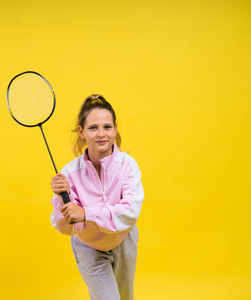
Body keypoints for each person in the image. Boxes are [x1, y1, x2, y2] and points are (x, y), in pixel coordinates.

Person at [50, 94, 144, 300]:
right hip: (89, 247)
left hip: (124, 240)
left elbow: (129, 212)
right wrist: (61, 199)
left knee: (125, 297)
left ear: (115, 129)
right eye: (93, 128)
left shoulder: (128, 166)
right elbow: (65, 227)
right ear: (81, 132)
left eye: (107, 127)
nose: (101, 134)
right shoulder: (69, 173)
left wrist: (86, 213)